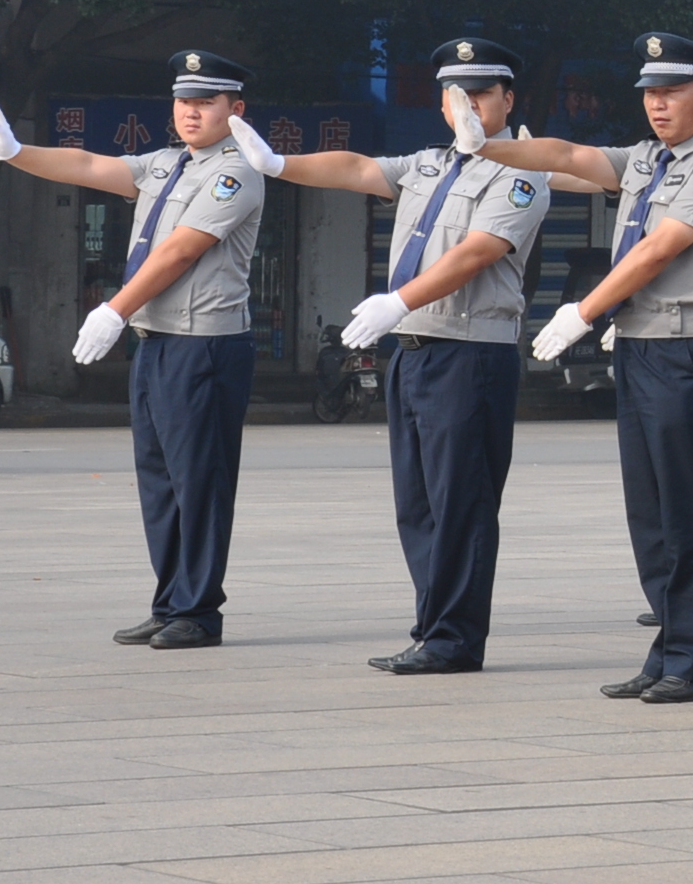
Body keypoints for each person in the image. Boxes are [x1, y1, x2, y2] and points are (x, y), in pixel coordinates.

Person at [225, 41, 549, 674]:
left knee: (461, 504)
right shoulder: (428, 163)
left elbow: (478, 251)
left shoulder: (521, 173)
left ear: (508, 101)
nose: (467, 106)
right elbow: (355, 168)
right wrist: (279, 163)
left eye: (481, 94)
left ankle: (455, 639)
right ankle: (433, 627)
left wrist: (398, 300)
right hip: (414, 351)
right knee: (418, 504)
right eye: (455, 96)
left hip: (469, 353)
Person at [475, 32, 693, 703]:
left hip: (691, 346)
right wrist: (482, 144)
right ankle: (667, 649)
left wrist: (584, 310)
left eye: (672, 91)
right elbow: (564, 155)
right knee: (651, 511)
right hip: (640, 343)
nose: (657, 104)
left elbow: (660, 248)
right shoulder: (645, 160)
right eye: (650, 93)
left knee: (690, 509)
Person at [0, 52, 268, 651]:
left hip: (205, 345)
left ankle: (199, 612)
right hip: (156, 342)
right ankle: (170, 603)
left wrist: (114, 308)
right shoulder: (165, 164)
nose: (191, 112)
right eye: (183, 102)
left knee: (199, 483)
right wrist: (15, 153)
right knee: (160, 483)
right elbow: (88, 164)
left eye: (206, 102)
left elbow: (181, 250)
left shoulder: (237, 172)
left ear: (235, 109)